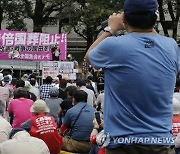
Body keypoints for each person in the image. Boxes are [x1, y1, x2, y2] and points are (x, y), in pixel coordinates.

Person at [85, 0, 180, 153]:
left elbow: (89, 57)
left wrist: (110, 29)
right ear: (154, 19)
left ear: (125, 18)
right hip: (161, 141)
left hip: (122, 143)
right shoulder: (172, 46)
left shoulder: (113, 45)